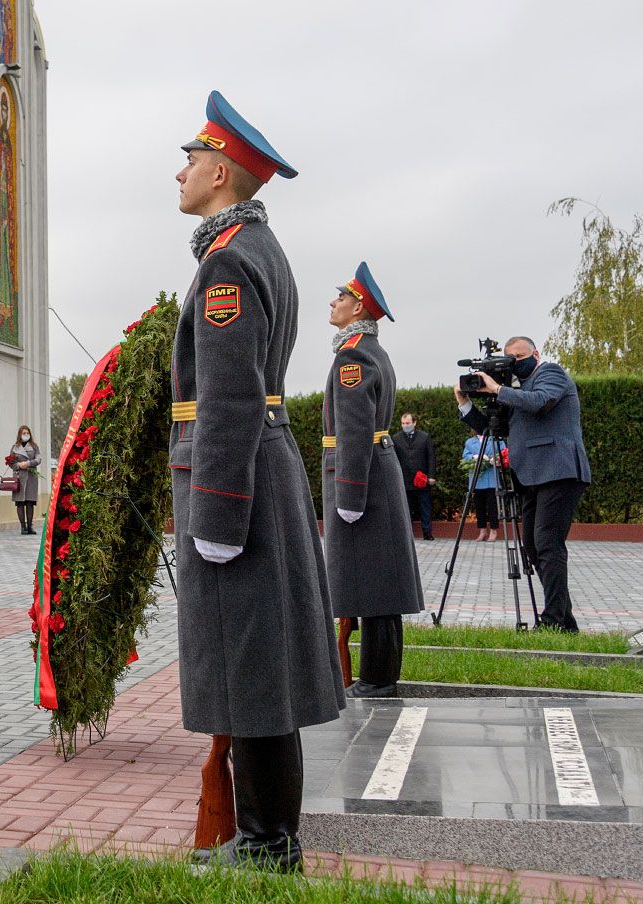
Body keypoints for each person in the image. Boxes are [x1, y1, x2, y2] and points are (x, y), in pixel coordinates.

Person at [171, 91, 345, 872]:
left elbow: (231, 396)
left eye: (188, 160)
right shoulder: (254, 248)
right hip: (259, 472)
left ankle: (270, 845)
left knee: (250, 668)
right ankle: (268, 837)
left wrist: (215, 513)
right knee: (260, 669)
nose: (177, 173)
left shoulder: (230, 260)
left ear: (220, 170)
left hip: (236, 481)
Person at [322, 263, 425, 699]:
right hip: (374, 472)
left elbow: (354, 429)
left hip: (361, 475)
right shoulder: (369, 350)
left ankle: (378, 678)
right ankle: (379, 674)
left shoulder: (354, 355)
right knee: (378, 579)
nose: (333, 302)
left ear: (358, 306)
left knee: (376, 583)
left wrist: (349, 493)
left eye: (340, 297)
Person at [455, 336, 592, 632]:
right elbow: (497, 430)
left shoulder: (550, 373)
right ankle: (565, 621)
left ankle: (554, 620)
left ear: (536, 354)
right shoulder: (515, 391)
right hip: (530, 476)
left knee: (547, 543)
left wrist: (498, 389)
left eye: (520, 357)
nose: (515, 363)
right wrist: (466, 404)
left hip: (559, 472)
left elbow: (541, 402)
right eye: (510, 358)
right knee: (532, 545)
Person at [394, 413, 436, 539]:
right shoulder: (395, 438)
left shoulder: (425, 437)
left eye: (407, 423)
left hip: (422, 479)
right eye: (403, 423)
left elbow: (431, 457)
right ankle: (408, 535)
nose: (405, 425)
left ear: (414, 423)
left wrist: (431, 476)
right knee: (406, 508)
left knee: (425, 506)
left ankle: (427, 533)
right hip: (404, 480)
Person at [461, 433, 503, 541]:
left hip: (491, 478)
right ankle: (482, 531)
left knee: (492, 506)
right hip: (477, 479)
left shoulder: (495, 439)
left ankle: (493, 530)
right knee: (479, 507)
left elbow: (503, 452)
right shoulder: (470, 442)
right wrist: (474, 457)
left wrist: (495, 459)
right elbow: (465, 456)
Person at [7, 425, 42, 534]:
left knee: (30, 502)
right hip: (19, 477)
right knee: (20, 503)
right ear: (20, 434)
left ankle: (30, 527)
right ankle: (23, 527)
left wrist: (28, 463)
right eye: (24, 433)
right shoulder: (15, 447)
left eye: (27, 433)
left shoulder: (34, 446)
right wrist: (19, 465)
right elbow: (10, 462)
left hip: (31, 477)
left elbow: (39, 459)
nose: (26, 435)